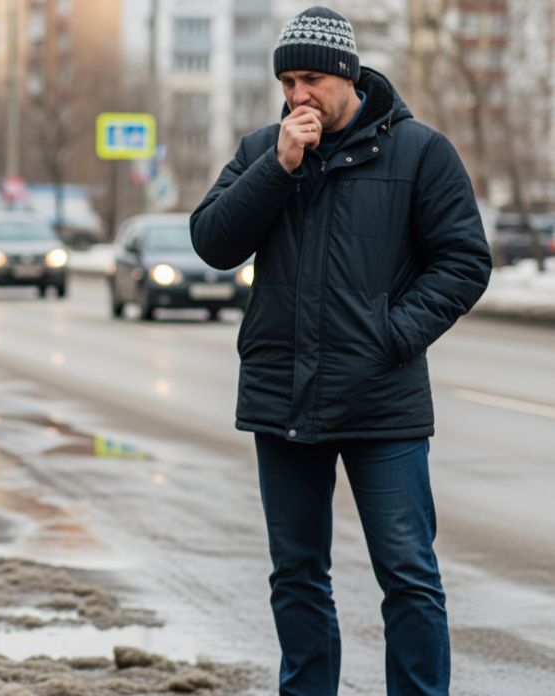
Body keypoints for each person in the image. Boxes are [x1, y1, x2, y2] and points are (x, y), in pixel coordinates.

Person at [190, 7, 490, 695]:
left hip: (383, 403)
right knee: (296, 575)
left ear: (349, 78)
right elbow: (213, 242)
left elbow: (465, 261)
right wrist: (279, 167)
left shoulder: (420, 153)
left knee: (408, 573)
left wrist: (394, 334)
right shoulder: (262, 149)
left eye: (313, 80)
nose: (299, 96)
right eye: (289, 81)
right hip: (282, 400)